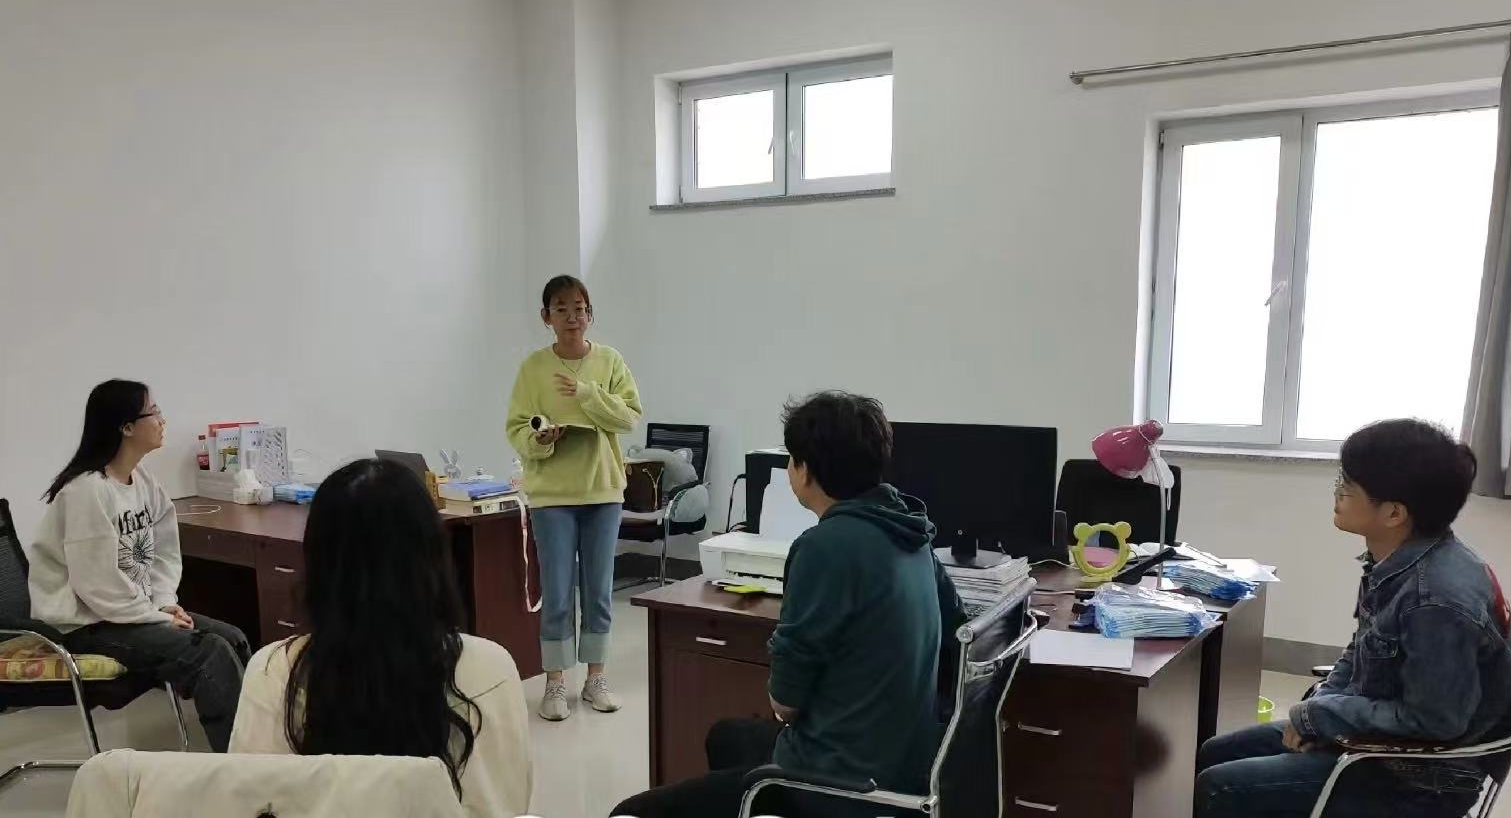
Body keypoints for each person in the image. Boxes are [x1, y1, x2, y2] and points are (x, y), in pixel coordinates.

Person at [613, 391, 965, 818]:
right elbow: (956, 627)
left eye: (791, 459)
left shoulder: (823, 547)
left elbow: (785, 702)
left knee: (629, 813)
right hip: (905, 769)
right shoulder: (912, 530)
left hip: (837, 784)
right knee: (727, 736)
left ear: (806, 470)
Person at [1195, 419, 1511, 818]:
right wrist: (1320, 711)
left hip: (1419, 778)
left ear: (1394, 513)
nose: (1337, 493)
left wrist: (1321, 716)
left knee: (1219, 787)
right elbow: (1362, 650)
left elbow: (1434, 721)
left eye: (1348, 486)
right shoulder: (1399, 560)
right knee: (1215, 751)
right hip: (1374, 739)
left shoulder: (1435, 601)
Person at [229, 458, 532, 818]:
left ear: (318, 563)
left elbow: (248, 803)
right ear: (434, 558)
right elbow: (507, 802)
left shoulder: (273, 670)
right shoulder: (489, 667)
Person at [28, 379, 250, 752]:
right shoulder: (87, 491)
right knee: (208, 652)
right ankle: (242, 767)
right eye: (154, 412)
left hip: (130, 613)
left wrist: (163, 602)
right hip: (86, 624)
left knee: (233, 638)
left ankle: (258, 746)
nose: (162, 420)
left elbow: (164, 551)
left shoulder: (142, 480)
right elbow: (96, 586)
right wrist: (155, 616)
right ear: (127, 427)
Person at [506, 274, 642, 721]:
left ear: (590, 315)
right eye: (561, 309)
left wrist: (586, 394)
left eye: (579, 308)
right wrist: (541, 438)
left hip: (603, 492)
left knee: (599, 591)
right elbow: (517, 428)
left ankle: (595, 679)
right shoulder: (533, 368)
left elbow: (628, 417)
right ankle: (555, 683)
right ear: (546, 317)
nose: (572, 316)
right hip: (552, 496)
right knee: (559, 593)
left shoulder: (609, 361)